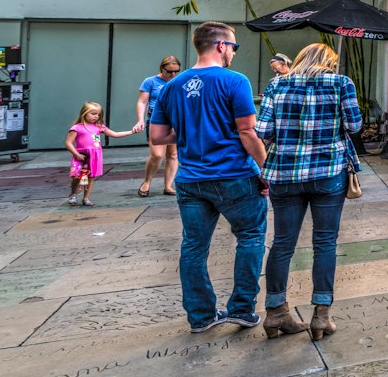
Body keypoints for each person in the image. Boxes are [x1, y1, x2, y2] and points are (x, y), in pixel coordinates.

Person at [149, 21, 268, 333]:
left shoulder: (172, 86)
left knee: (193, 246)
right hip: (235, 175)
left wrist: (192, 129)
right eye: (233, 47)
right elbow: (247, 131)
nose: (233, 53)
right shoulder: (235, 81)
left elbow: (158, 136)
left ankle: (201, 316)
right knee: (251, 236)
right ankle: (241, 309)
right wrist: (268, 169)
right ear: (220, 46)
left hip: (189, 179)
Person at [258, 42, 362, 340]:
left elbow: (263, 130)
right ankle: (321, 315)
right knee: (325, 242)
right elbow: (354, 125)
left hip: (285, 172)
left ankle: (275, 312)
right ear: (329, 61)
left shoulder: (277, 84)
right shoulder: (341, 83)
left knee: (282, 243)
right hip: (328, 171)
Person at [65, 102, 134, 206]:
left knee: (91, 177)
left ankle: (86, 198)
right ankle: (73, 194)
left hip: (94, 156)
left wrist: (132, 131)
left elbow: (115, 134)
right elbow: (68, 143)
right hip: (81, 155)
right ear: (84, 113)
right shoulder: (77, 127)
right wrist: (76, 154)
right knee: (76, 176)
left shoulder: (99, 127)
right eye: (93, 113)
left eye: (98, 114)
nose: (96, 116)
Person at [135, 54, 182, 197]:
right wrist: (140, 120)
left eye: (176, 71)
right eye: (169, 71)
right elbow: (142, 101)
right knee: (157, 154)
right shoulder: (150, 81)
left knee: (173, 154)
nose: (173, 74)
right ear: (162, 69)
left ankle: (168, 185)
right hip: (156, 121)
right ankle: (147, 181)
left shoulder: (179, 82)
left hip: (175, 120)